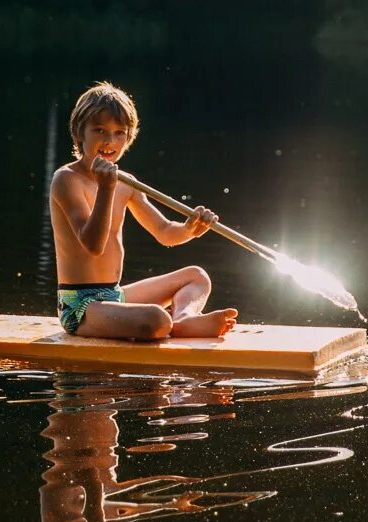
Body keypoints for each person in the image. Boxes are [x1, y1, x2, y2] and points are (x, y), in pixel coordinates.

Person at [50, 81, 238, 339]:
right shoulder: (66, 179)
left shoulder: (126, 182)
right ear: (79, 133)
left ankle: (183, 320)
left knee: (197, 276)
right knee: (156, 319)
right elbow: (93, 244)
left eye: (119, 133)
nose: (109, 141)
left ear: (128, 138)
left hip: (114, 295)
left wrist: (189, 229)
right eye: (100, 130)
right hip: (81, 306)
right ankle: (170, 323)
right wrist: (106, 190)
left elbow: (163, 231)